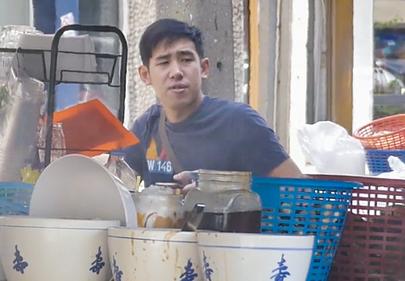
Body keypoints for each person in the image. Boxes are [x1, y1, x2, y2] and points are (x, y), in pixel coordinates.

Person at [116, 18, 301, 186]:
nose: (176, 72)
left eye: (186, 60)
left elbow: (300, 195)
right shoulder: (147, 126)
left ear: (204, 68)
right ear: (145, 75)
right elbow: (115, 188)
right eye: (164, 63)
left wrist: (221, 190)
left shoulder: (241, 122)